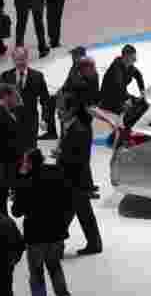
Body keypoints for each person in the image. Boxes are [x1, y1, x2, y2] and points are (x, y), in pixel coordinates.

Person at [12, 148, 74, 296]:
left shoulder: (26, 182)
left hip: (36, 236)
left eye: (26, 161)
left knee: (36, 271)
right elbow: (69, 201)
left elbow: (16, 211)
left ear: (30, 163)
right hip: (57, 232)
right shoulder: (57, 173)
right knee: (55, 267)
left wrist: (19, 182)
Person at [57, 104, 102, 256]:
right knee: (83, 213)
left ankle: (57, 245)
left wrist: (60, 155)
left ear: (71, 110)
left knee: (65, 213)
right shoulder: (71, 127)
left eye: (61, 109)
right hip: (75, 179)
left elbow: (80, 158)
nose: (58, 113)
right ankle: (94, 244)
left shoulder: (78, 130)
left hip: (75, 178)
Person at [0, 83, 30, 216]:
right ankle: (2, 215)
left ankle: (10, 212)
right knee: (4, 189)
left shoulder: (10, 112)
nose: (17, 98)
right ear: (6, 96)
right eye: (14, 95)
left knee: (8, 188)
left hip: (14, 158)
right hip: (7, 159)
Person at [0, 47, 50, 146]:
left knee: (30, 149)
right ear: (13, 60)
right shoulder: (5, 76)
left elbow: (45, 99)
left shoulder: (38, 76)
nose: (21, 62)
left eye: (23, 59)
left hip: (31, 120)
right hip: (11, 121)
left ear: (27, 58)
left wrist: (44, 118)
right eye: (18, 59)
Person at [98, 45, 146, 114]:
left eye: (135, 57)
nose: (135, 60)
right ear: (126, 57)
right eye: (133, 58)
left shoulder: (129, 66)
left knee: (140, 103)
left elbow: (138, 76)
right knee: (133, 110)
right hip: (108, 100)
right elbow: (119, 86)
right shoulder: (116, 67)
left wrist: (142, 91)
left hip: (121, 95)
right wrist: (127, 99)